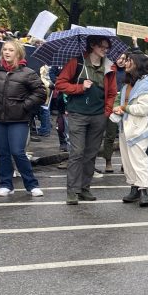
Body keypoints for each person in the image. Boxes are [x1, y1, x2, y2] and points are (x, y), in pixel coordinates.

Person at [55, 35, 118, 204]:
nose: (105, 50)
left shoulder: (110, 67)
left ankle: (84, 188)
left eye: (107, 47)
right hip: (78, 114)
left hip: (98, 115)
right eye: (102, 47)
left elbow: (112, 92)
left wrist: (106, 111)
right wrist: (80, 87)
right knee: (77, 152)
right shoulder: (76, 63)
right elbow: (60, 84)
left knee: (90, 154)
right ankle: (72, 191)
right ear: (92, 45)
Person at [0, 39, 47, 197]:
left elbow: (40, 93)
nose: (7, 52)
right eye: (5, 50)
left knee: (18, 152)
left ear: (18, 53)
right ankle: (6, 184)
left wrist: (24, 106)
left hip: (19, 119)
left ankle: (31, 184)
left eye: (10, 50)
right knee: (3, 153)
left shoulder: (28, 73)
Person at [113, 53, 148, 207]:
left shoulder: (146, 84)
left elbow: (146, 107)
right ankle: (134, 188)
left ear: (137, 64)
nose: (125, 63)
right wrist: (117, 107)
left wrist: (124, 108)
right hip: (125, 126)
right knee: (127, 160)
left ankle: (143, 190)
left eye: (129, 61)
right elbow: (120, 101)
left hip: (139, 127)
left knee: (138, 159)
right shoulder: (126, 85)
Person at [99, 52, 129, 174]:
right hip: (111, 105)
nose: (121, 60)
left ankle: (124, 162)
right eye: (119, 57)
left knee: (126, 136)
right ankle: (108, 162)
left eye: (123, 58)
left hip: (125, 106)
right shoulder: (110, 70)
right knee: (110, 135)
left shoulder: (129, 72)